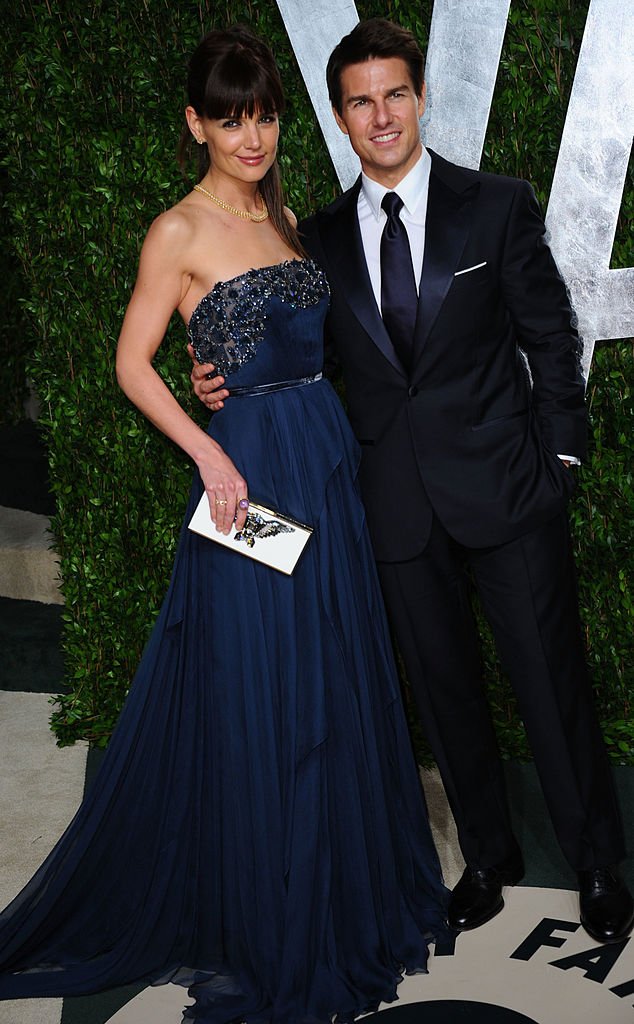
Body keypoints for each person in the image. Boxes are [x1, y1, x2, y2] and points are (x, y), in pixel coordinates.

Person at [0, 24, 451, 1022]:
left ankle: (336, 898)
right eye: (231, 118)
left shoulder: (282, 209)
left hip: (323, 463)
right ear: (195, 123)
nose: (252, 137)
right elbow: (129, 363)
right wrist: (206, 450)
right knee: (265, 694)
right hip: (244, 484)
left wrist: (243, 380)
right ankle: (271, 920)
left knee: (330, 681)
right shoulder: (179, 229)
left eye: (265, 116)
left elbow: (290, 339)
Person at [192, 18, 633, 945]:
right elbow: (301, 358)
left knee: (551, 686)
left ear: (422, 97)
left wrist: (560, 458)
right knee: (444, 693)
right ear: (341, 119)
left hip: (510, 493)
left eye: (396, 94)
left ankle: (597, 861)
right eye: (362, 101)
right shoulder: (311, 241)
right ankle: (490, 856)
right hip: (392, 507)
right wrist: (219, 374)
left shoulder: (496, 205)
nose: (382, 115)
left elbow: (550, 338)